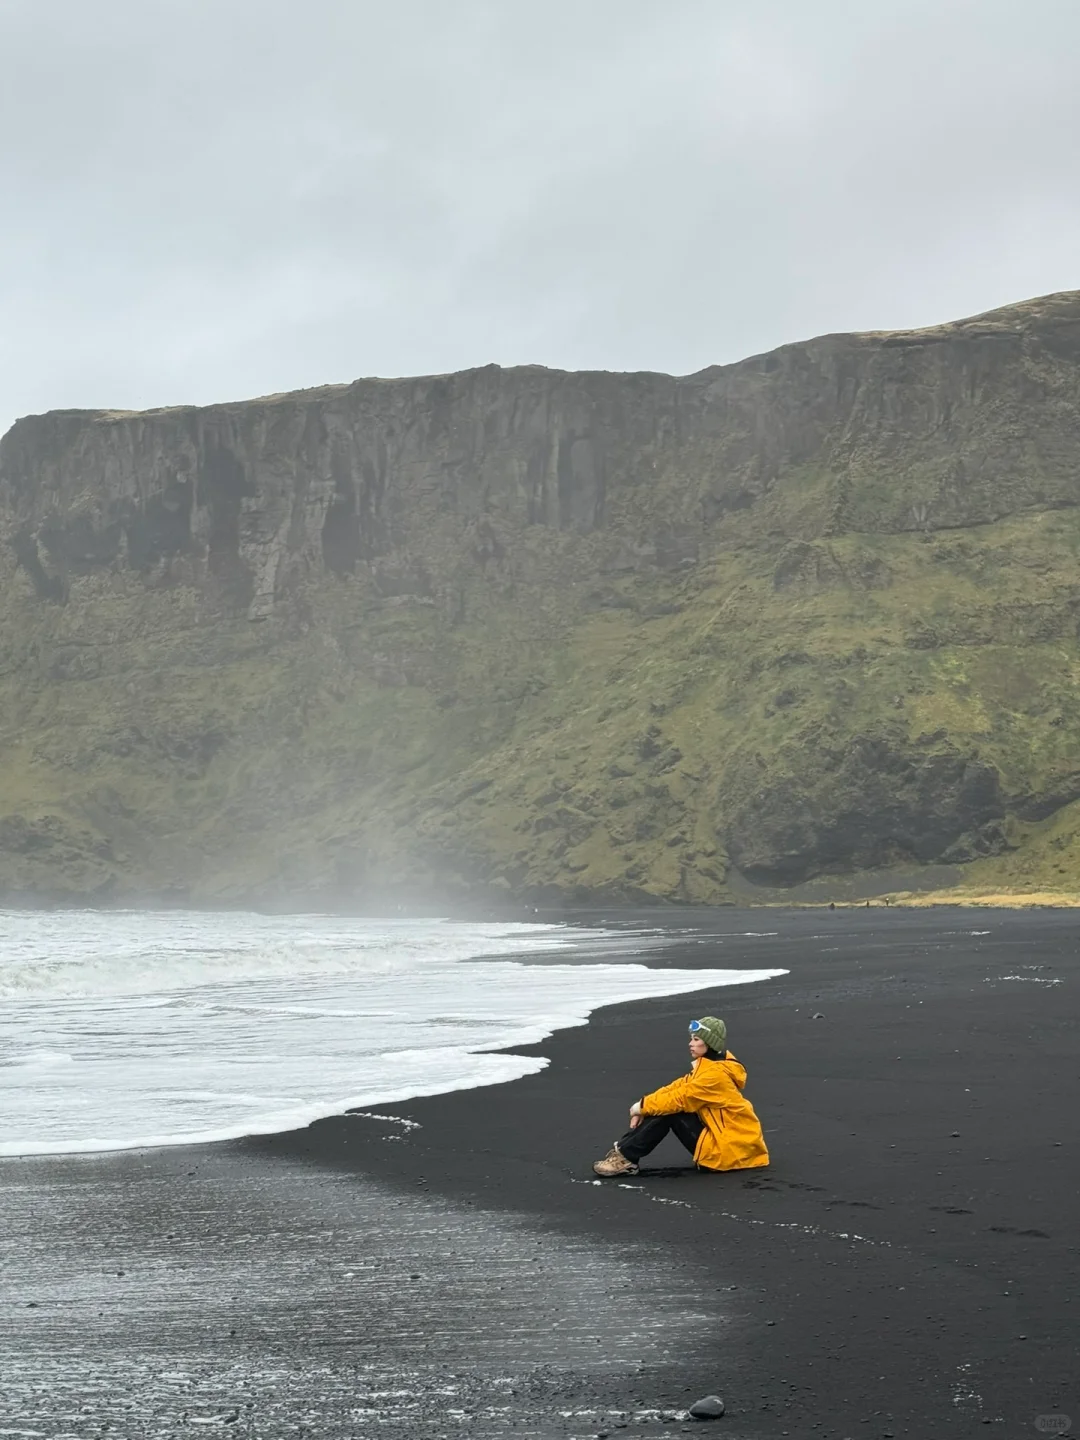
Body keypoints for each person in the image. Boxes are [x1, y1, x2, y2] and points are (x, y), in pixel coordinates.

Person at [592, 1016, 769, 1177]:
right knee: (664, 1106)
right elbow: (677, 1087)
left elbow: (679, 1098)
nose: (690, 1043)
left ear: (710, 1043)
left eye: (696, 1039)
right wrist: (642, 1106)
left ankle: (625, 1158)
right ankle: (624, 1155)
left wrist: (639, 1108)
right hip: (731, 1146)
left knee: (671, 1111)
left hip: (731, 1153)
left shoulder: (714, 1076)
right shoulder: (710, 1067)